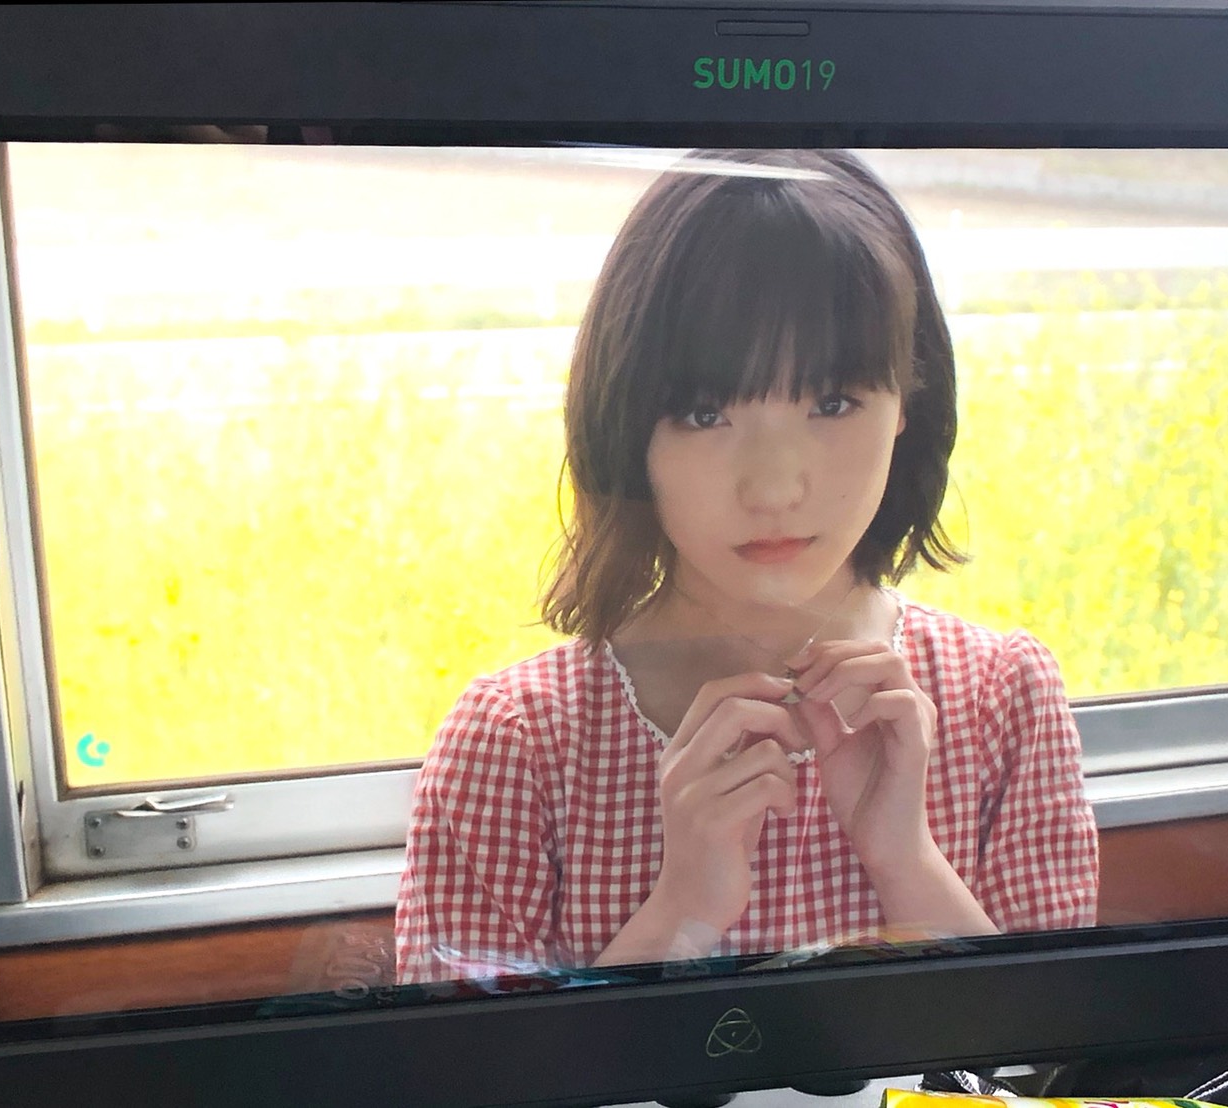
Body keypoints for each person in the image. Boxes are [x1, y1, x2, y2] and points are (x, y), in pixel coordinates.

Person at [394, 149, 1098, 983]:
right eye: (705, 413)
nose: (773, 490)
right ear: (628, 429)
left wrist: (906, 862)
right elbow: (466, 1059)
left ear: (908, 404)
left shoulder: (1003, 702)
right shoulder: (518, 746)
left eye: (832, 403)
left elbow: (1055, 1047)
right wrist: (682, 908)